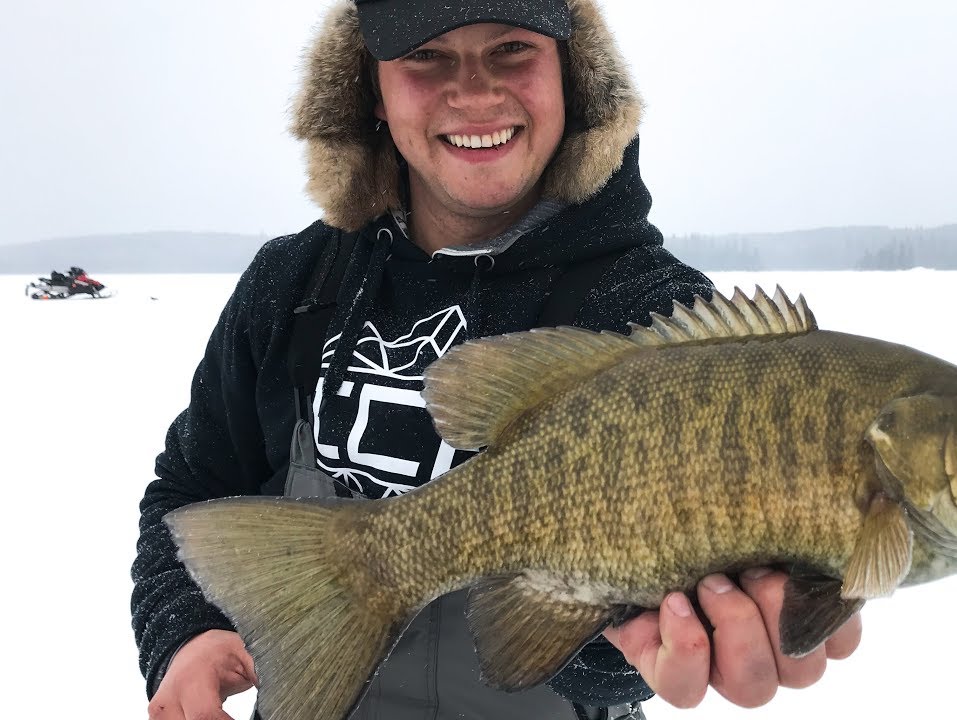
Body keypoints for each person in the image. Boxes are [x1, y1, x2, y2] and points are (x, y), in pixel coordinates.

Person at [130, 1, 864, 719]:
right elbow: (193, 487)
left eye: (513, 48)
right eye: (426, 55)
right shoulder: (296, 285)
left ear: (572, 75)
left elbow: (612, 651)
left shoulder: (661, 325)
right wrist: (186, 632)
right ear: (371, 89)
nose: (475, 93)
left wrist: (636, 639)